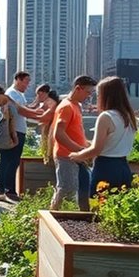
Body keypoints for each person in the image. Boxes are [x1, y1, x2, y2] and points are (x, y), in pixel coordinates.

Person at [68, 77, 137, 197]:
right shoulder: (128, 116)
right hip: (123, 167)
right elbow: (113, 142)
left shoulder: (106, 117)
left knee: (99, 206)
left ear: (106, 96)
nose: (97, 98)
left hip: (105, 167)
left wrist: (77, 156)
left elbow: (97, 149)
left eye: (99, 94)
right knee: (120, 207)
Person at [51, 75, 97, 210]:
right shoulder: (66, 106)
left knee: (83, 189)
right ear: (78, 88)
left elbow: (74, 132)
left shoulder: (76, 106)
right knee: (66, 190)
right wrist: (81, 150)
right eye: (88, 92)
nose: (89, 96)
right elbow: (59, 134)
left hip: (76, 156)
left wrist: (87, 146)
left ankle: (82, 219)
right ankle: (52, 218)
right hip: (66, 156)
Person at [2, 71, 48, 202]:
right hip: (14, 131)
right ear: (18, 79)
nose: (28, 85)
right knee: (12, 160)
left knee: (14, 160)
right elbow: (22, 111)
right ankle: (8, 190)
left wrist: (37, 101)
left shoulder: (19, 94)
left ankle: (8, 189)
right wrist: (41, 116)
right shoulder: (11, 94)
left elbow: (27, 107)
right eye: (26, 81)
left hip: (19, 130)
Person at [0, 85, 18, 200]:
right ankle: (1, 190)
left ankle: (1, 189)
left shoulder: (1, 107)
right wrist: (15, 137)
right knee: (6, 163)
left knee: (4, 163)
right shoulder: (5, 107)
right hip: (7, 139)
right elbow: (11, 124)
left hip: (1, 139)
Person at [34, 84, 61, 165]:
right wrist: (36, 102)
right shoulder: (46, 101)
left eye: (39, 94)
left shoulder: (50, 102)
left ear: (44, 93)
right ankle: (47, 158)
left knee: (48, 143)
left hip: (51, 126)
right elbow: (34, 109)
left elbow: (44, 116)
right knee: (45, 142)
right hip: (47, 125)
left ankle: (49, 159)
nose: (38, 97)